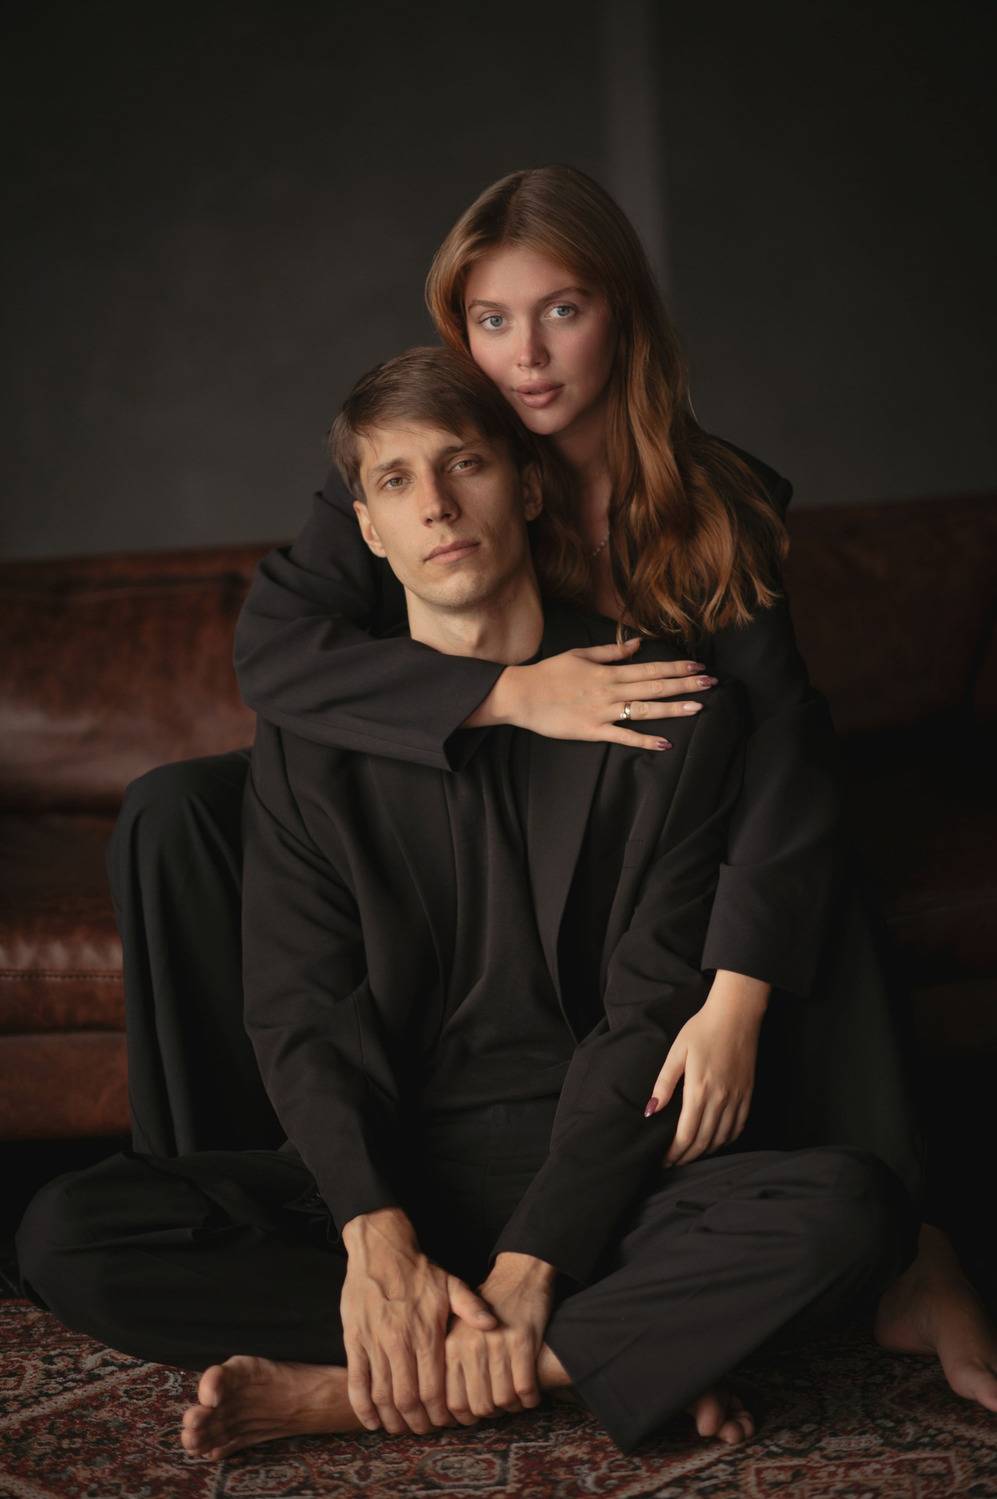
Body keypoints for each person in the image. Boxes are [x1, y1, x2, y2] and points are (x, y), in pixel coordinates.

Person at [107, 165, 997, 1410]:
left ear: (621, 313)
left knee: (793, 837)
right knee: (174, 813)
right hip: (405, 759)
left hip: (640, 782)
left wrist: (733, 999)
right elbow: (274, 655)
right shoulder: (422, 445)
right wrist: (508, 695)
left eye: (561, 311)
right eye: (491, 320)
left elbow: (781, 744)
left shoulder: (710, 495)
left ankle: (899, 1243)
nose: (524, 355)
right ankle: (320, 1208)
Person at [16, 347, 916, 1460]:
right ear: (367, 529)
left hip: (600, 1173)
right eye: (396, 481)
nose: (436, 505)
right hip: (403, 1157)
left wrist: (539, 1260)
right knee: (69, 1233)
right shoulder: (311, 737)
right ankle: (605, 1354)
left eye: (465, 464)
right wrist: (375, 1234)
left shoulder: (666, 704)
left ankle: (360, 1389)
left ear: (527, 489)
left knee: (849, 1211)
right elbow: (300, 1009)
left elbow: (647, 1012)